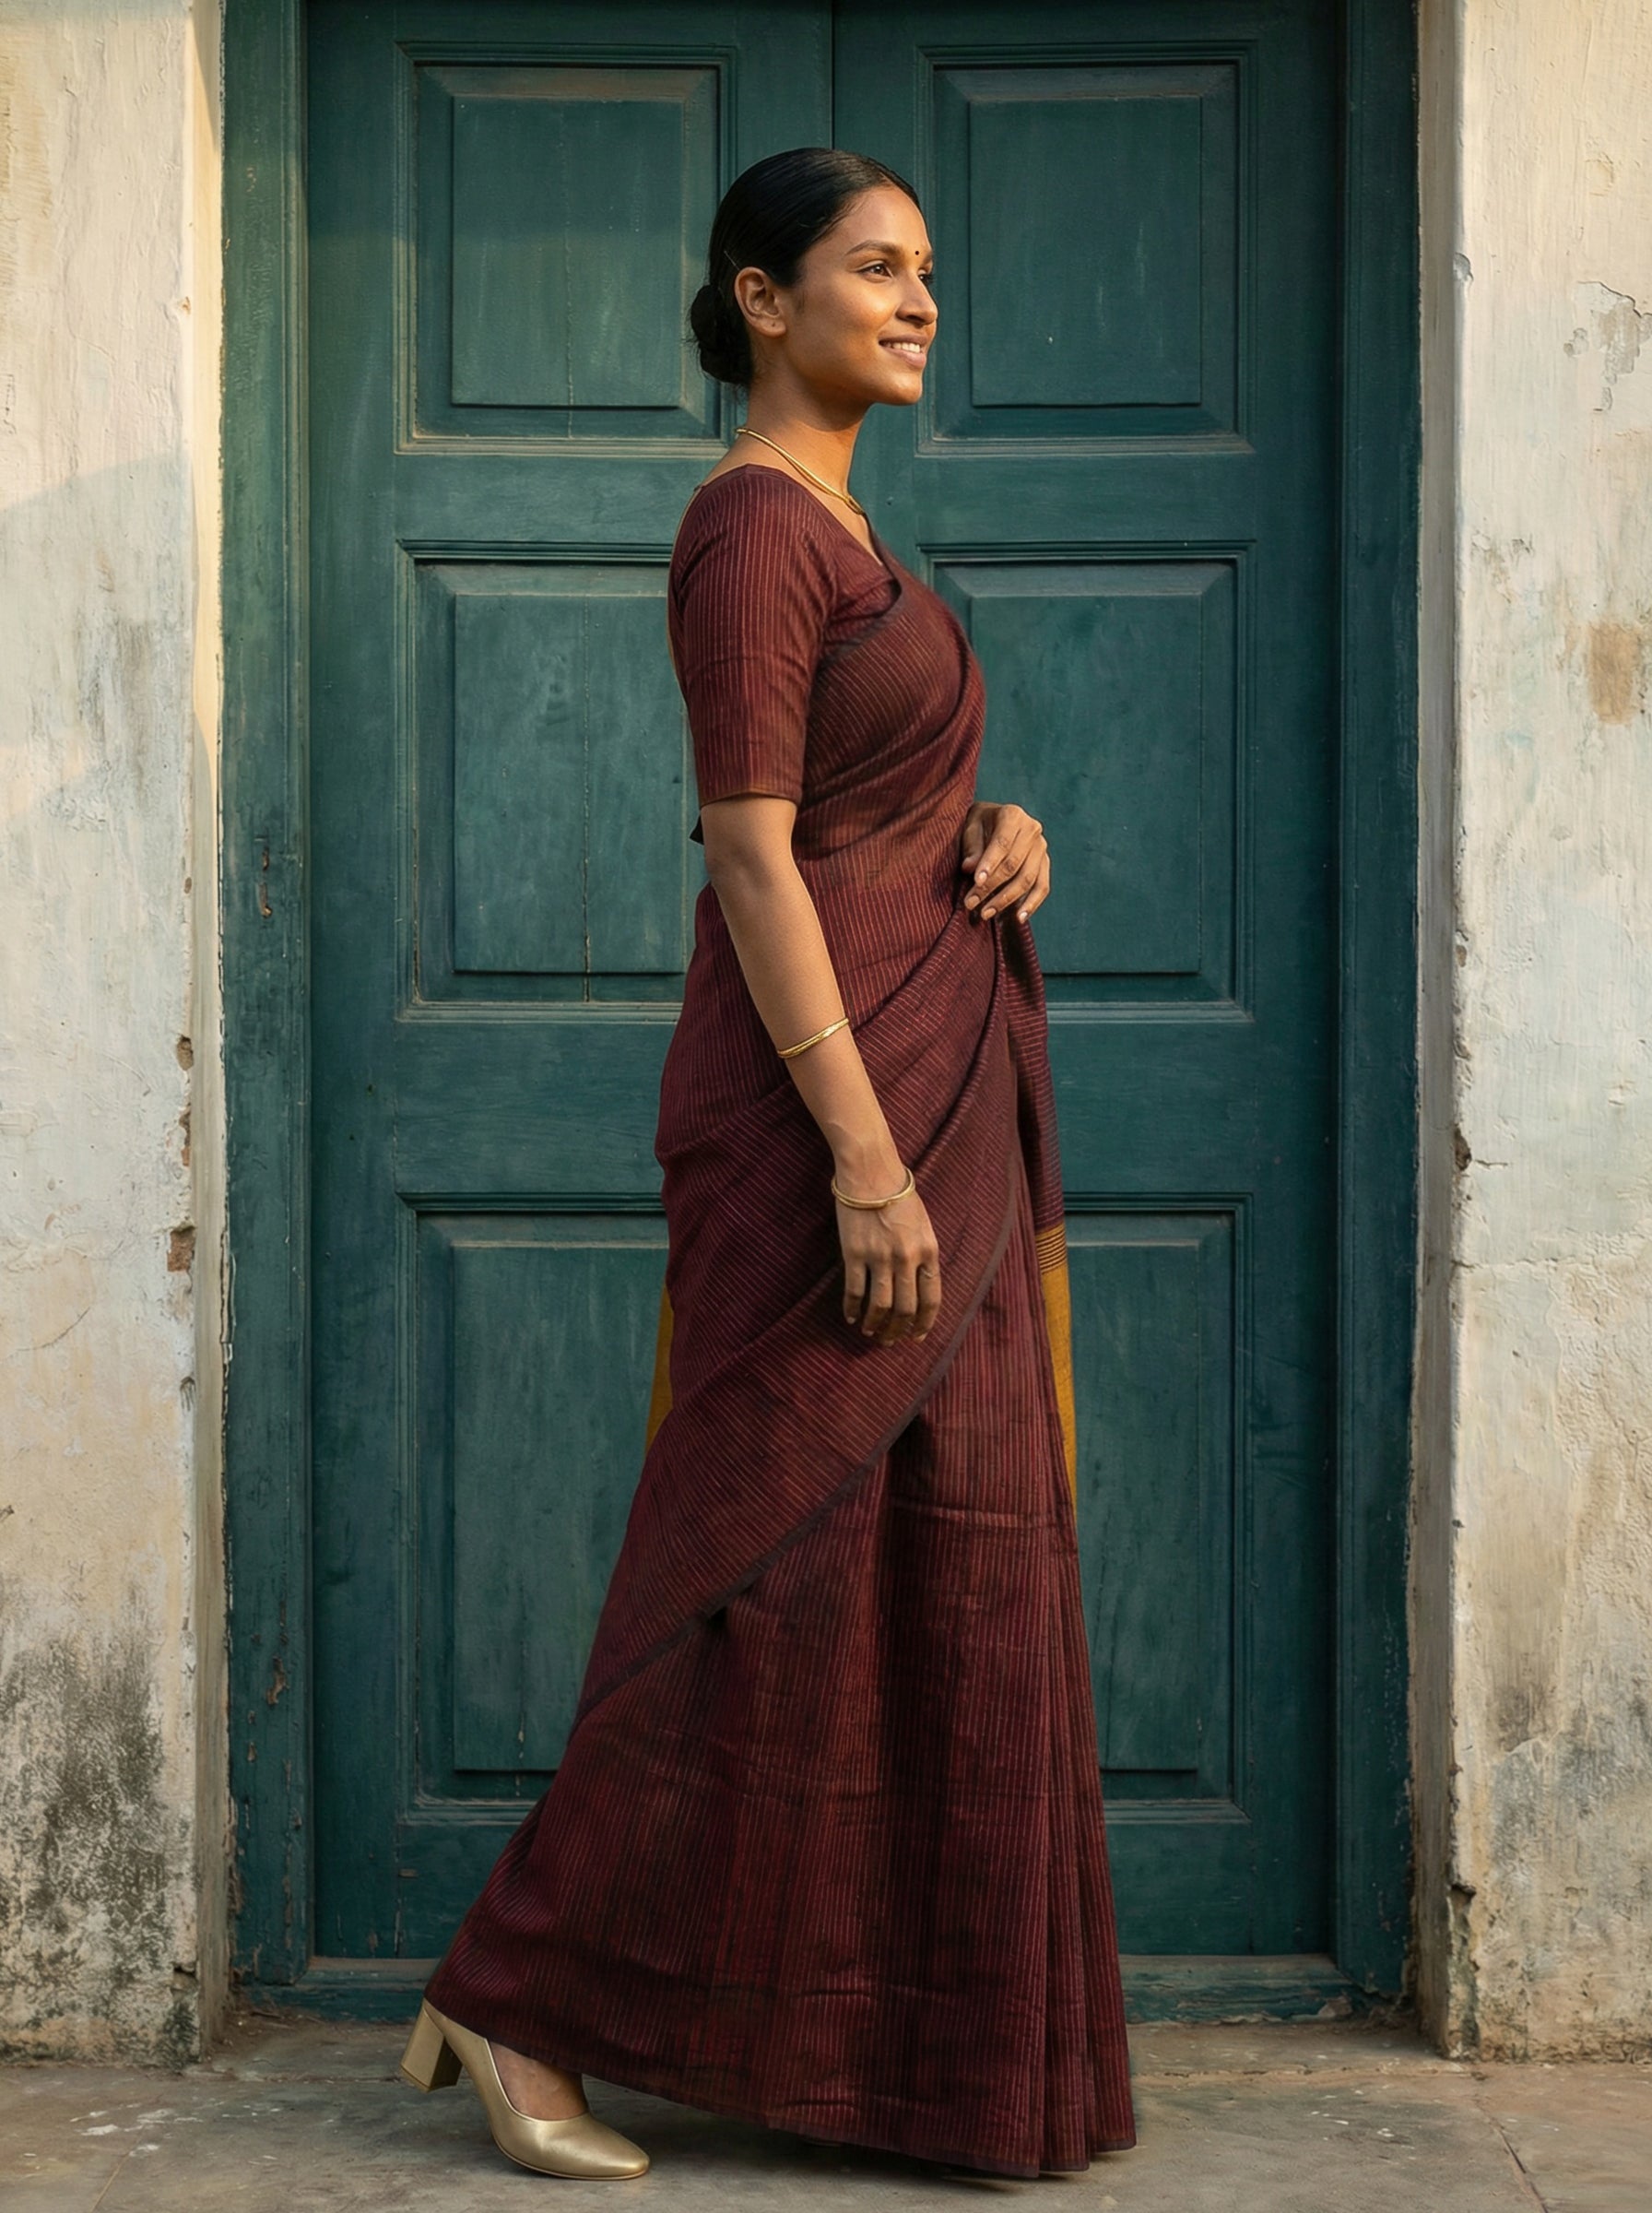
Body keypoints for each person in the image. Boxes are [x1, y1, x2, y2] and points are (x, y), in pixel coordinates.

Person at [397, 146, 1138, 2183]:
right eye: (871, 269)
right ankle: (510, 1994)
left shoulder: (843, 534)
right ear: (757, 298)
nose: (914, 301)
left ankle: (904, 2050)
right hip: (834, 1127)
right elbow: (744, 848)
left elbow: (862, 817)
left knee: (923, 1571)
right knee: (747, 1566)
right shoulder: (748, 531)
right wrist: (863, 1162)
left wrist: (1009, 839)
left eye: (924, 271)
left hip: (931, 1096)